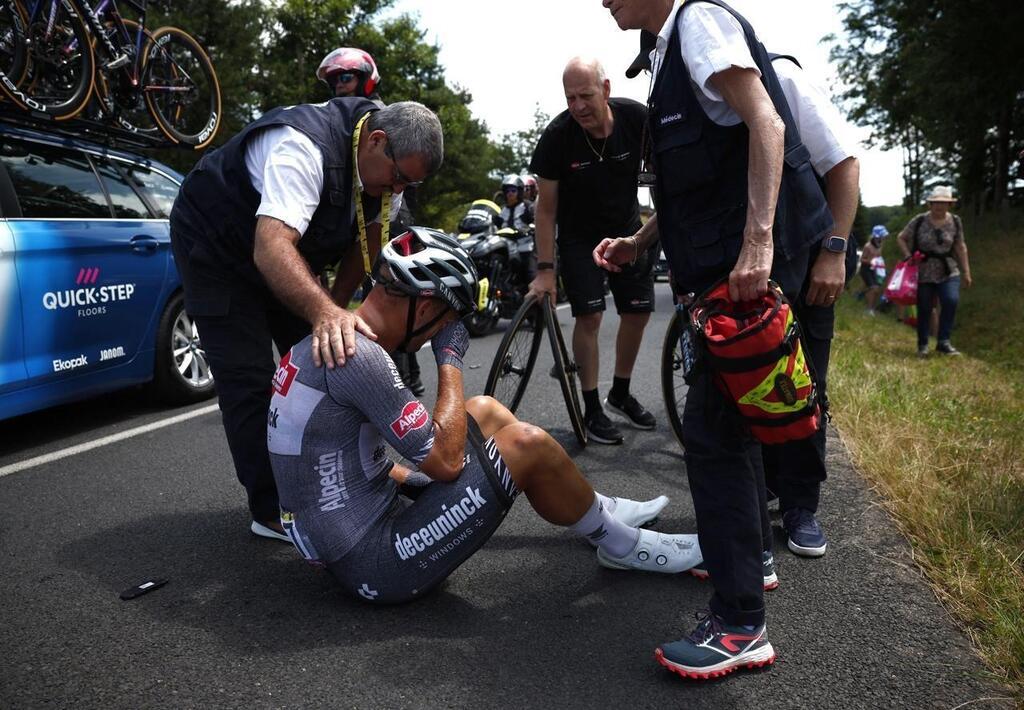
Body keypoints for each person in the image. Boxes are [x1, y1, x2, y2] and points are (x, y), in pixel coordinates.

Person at [598, 0, 858, 678]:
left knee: (713, 434)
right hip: (717, 268)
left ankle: (741, 624)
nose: (599, 0)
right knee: (733, 426)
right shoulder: (669, 51)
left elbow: (767, 123)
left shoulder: (700, 25)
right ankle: (752, 560)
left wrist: (759, 243)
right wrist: (641, 239)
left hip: (745, 269)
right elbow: (700, 175)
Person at [267, 227, 703, 603]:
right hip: (374, 564)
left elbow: (333, 463)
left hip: (344, 532)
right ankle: (622, 546)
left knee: (485, 411)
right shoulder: (361, 357)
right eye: (447, 318)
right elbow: (446, 461)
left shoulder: (328, 339)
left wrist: (412, 479)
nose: (443, 330)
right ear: (424, 306)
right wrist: (450, 359)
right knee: (525, 445)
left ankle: (599, 510)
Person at [169, 98, 441, 542]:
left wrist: (333, 307)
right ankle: (274, 508)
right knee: (251, 380)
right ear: (377, 141)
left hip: (280, 250)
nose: (398, 191)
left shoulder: (385, 164)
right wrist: (323, 311)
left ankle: (366, 471)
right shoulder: (302, 150)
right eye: (398, 179)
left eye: (410, 184)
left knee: (333, 360)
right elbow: (271, 248)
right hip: (221, 247)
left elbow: (364, 242)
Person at [529, 56, 657, 445]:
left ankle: (619, 392)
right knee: (590, 317)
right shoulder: (557, 137)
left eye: (585, 95)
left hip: (627, 227)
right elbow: (545, 209)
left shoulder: (637, 120)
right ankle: (592, 408)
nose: (578, 106)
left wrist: (655, 231)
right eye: (570, 98)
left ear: (605, 89)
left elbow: (657, 178)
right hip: (579, 237)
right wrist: (546, 270)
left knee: (637, 312)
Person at [317, 46, 423, 394]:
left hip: (389, 217)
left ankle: (400, 378)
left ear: (366, 79)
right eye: (334, 81)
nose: (339, 86)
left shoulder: (377, 117)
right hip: (362, 221)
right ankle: (398, 373)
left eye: (346, 77)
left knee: (386, 295)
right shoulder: (338, 118)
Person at [896, 185, 972, 357]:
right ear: (930, 204)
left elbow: (960, 246)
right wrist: (908, 256)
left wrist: (966, 271)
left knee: (950, 301)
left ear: (949, 205)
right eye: (936, 202)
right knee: (925, 308)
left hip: (949, 269)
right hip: (924, 271)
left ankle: (943, 341)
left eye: (944, 203)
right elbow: (901, 237)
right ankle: (923, 344)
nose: (939, 206)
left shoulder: (955, 221)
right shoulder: (919, 220)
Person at [317, 47, 382, 101]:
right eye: (334, 81)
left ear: (364, 79)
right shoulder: (334, 114)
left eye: (345, 78)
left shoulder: (380, 113)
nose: (339, 85)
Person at [860, 225, 889, 314]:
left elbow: (878, 257)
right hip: (866, 269)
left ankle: (871, 307)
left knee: (876, 289)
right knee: (873, 288)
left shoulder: (880, 245)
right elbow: (862, 259)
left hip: (875, 270)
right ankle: (869, 309)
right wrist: (870, 261)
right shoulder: (868, 246)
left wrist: (880, 264)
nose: (883, 238)